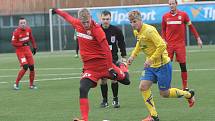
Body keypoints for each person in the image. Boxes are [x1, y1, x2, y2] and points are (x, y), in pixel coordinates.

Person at [52, 8, 130, 121]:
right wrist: (57, 10)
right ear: (79, 20)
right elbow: (66, 16)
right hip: (90, 69)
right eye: (83, 22)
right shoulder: (77, 24)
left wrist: (110, 67)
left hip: (104, 66)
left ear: (91, 18)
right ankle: (84, 119)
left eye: (87, 21)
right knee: (82, 88)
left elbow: (107, 50)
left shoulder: (97, 30)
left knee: (126, 81)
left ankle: (122, 66)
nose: (86, 24)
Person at [127, 10, 195, 121]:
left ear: (140, 20)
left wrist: (151, 59)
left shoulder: (149, 31)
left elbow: (162, 45)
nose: (133, 24)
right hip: (151, 67)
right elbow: (140, 44)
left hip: (163, 65)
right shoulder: (136, 32)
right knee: (143, 87)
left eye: (134, 21)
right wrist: (132, 56)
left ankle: (188, 94)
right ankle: (154, 116)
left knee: (164, 93)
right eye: (131, 22)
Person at [162, 0, 202, 91]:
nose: (171, 5)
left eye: (173, 4)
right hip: (169, 45)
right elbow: (163, 30)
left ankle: (185, 86)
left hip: (180, 45)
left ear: (176, 4)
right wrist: (163, 39)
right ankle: (168, 85)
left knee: (183, 65)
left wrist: (198, 38)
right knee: (168, 66)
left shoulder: (183, 15)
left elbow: (191, 27)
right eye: (170, 4)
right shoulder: (165, 16)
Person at [99, 10, 127, 108]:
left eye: (107, 19)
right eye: (104, 19)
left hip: (113, 58)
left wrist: (123, 57)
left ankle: (115, 100)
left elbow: (122, 43)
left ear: (110, 19)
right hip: (101, 59)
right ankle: (104, 101)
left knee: (114, 79)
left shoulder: (116, 30)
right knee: (103, 80)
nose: (105, 21)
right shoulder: (97, 30)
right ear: (100, 19)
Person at [11, 17, 37, 90]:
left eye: (24, 23)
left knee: (32, 67)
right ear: (19, 24)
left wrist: (34, 47)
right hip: (20, 52)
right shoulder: (16, 32)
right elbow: (13, 43)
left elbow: (31, 38)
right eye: (21, 23)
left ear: (26, 23)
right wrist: (22, 44)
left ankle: (31, 85)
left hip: (28, 51)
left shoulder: (28, 29)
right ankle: (16, 84)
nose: (23, 24)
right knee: (25, 67)